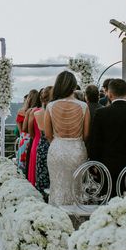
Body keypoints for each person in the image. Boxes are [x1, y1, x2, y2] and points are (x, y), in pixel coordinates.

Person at [88, 78, 126, 198]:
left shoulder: (101, 113)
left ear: (109, 94)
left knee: (106, 199)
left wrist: (93, 163)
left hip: (106, 165)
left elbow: (95, 140)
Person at [45, 72, 89, 205]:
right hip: (77, 149)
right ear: (74, 86)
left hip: (57, 149)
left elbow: (48, 134)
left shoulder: (50, 106)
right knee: (76, 187)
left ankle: (57, 216)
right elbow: (86, 134)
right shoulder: (83, 106)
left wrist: (58, 143)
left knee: (58, 186)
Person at [33, 87, 52, 198]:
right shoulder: (53, 113)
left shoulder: (37, 113)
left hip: (42, 145)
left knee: (42, 176)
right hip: (52, 144)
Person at [25, 91, 43, 187]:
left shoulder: (34, 112)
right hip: (43, 140)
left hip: (36, 140)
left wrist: (35, 136)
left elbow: (28, 130)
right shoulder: (50, 110)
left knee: (34, 168)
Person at [15, 91, 35, 173]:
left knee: (22, 163)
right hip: (34, 138)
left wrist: (22, 136)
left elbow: (20, 129)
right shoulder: (36, 111)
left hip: (24, 138)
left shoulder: (21, 111)